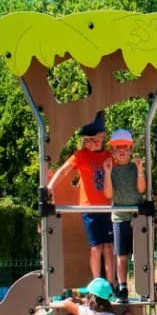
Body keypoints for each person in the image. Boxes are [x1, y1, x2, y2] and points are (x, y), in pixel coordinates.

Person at [47, 111, 115, 287]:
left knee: (108, 247)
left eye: (94, 139)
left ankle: (112, 285)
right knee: (96, 248)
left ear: (102, 136)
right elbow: (63, 170)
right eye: (87, 139)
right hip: (89, 208)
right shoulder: (80, 155)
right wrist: (50, 186)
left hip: (108, 208)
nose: (91, 143)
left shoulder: (109, 156)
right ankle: (97, 285)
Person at [103, 128, 145, 304]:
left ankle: (144, 287)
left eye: (125, 147)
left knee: (141, 253)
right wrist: (107, 173)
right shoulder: (111, 170)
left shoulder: (135, 168)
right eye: (118, 147)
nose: (121, 150)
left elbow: (141, 189)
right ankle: (122, 287)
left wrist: (140, 169)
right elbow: (108, 194)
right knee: (121, 255)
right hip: (120, 216)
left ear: (130, 149)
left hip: (137, 216)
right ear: (113, 150)